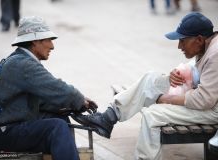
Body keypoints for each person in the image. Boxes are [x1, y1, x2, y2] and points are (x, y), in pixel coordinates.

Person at [74, 12, 218, 160]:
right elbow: (195, 70)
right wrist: (174, 74)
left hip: (212, 111)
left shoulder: (215, 54)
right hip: (203, 100)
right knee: (151, 79)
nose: (179, 46)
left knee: (153, 115)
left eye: (182, 40)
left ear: (199, 39)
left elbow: (203, 100)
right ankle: (108, 118)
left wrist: (166, 99)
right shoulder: (206, 45)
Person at [0, 16, 98, 160]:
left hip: (9, 127)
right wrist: (80, 100)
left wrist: (67, 106)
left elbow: (40, 100)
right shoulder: (23, 65)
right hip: (0, 133)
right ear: (35, 41)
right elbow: (58, 89)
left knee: (60, 118)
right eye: (48, 40)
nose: (52, 46)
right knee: (57, 127)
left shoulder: (21, 60)